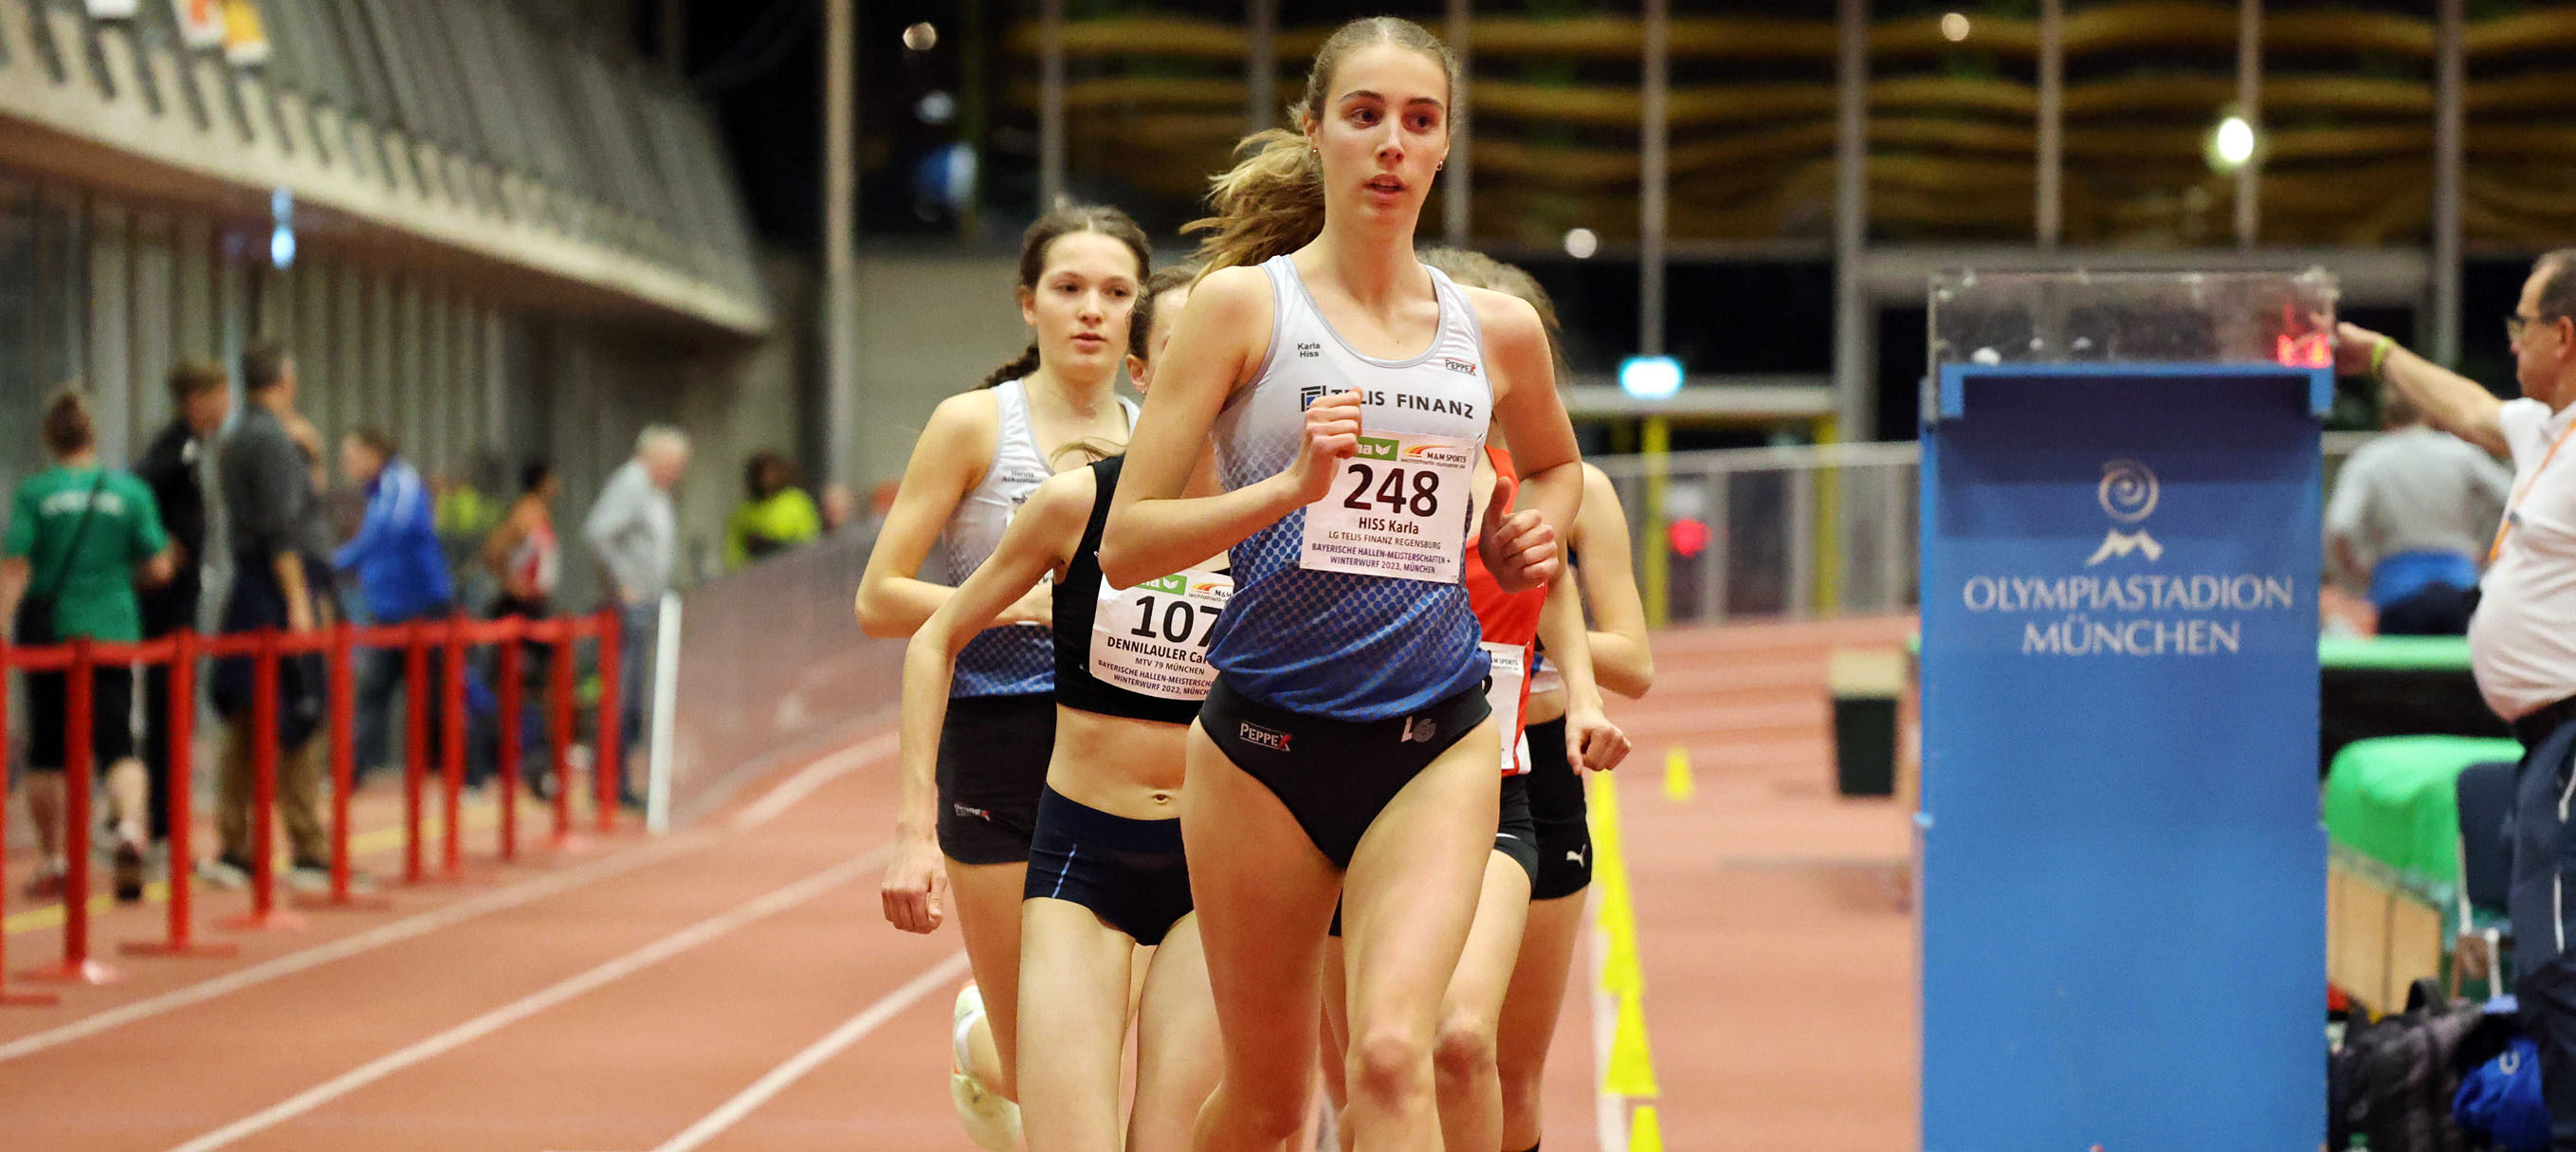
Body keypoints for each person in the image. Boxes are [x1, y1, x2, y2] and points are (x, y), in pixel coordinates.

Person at [1098, 18, 1583, 1149]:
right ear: (1313, 131)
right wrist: (1284, 489)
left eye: (1419, 122)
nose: (1390, 145)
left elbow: (1558, 468)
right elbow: (1126, 544)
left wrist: (1532, 538)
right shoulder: (1241, 309)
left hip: (1435, 738)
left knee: (1388, 1055)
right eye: (1364, 116)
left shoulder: (1495, 332)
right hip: (1261, 750)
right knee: (1269, 1107)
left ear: (1446, 146)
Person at [887, 264, 1219, 1152]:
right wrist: (912, 831)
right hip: (1083, 850)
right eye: (1186, 347)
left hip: (1217, 861)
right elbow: (930, 637)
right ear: (1142, 373)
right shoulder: (1077, 503)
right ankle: (983, 1039)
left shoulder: (1279, 514)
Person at [1311, 248, 1635, 1152]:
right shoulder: (1360, 463)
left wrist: (1566, 692)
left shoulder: (1541, 487)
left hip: (1501, 771)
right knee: (1363, 1076)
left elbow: (1558, 595)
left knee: (1464, 1046)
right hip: (1349, 773)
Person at [859, 203, 1150, 1148]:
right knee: (1038, 1064)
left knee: (1097, 1049)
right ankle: (975, 1041)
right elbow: (881, 597)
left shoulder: (1162, 438)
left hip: (1126, 750)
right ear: (1028, 303)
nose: (1090, 311)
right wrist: (1019, 603)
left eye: (1114, 292)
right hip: (998, 738)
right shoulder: (976, 424)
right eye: (1069, 289)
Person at [2330, 247, 2576, 1149]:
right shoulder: (2547, 432)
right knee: (2546, 957)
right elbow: (2465, 407)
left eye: (2520, 321)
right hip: (2543, 742)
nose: (2507, 339)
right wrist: (2380, 356)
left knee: (2553, 966)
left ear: (2564, 333)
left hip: (2572, 736)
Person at [1, 390, 174, 901]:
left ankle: (55, 859)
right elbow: (160, 565)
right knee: (118, 742)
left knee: (48, 753)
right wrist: (121, 576)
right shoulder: (129, 492)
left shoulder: (36, 492)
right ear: (93, 436)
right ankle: (127, 829)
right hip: (113, 631)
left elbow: (17, 566)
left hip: (52, 634)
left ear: (49, 439)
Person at [206, 343, 335, 891]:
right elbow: (283, 526)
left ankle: (241, 844)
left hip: (255, 586)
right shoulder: (272, 441)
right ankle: (305, 846)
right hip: (282, 587)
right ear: (286, 377)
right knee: (298, 714)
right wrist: (300, 600)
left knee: (248, 717)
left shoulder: (237, 438)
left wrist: (312, 456)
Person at [133, 360, 231, 853]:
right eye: (221, 396)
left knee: (178, 713)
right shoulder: (175, 447)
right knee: (167, 710)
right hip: (166, 605)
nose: (227, 407)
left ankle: (167, 824)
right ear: (197, 399)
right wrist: (154, 544)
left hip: (183, 600)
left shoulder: (192, 449)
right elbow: (136, 484)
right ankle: (161, 828)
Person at [2325, 388, 2511, 635]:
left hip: (2397, 593)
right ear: (2431, 414)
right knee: (2462, 672)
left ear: (2385, 417)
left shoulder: (2369, 460)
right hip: (2462, 588)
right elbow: (2513, 501)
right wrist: (2488, 556)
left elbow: (2339, 526)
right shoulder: (2461, 454)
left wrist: (2356, 575)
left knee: (2402, 674)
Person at [335, 429, 456, 780]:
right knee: (374, 691)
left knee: (441, 693)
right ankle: (350, 774)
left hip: (423, 608)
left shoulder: (400, 483)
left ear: (374, 453)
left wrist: (336, 563)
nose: (347, 463)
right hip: (388, 612)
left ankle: (466, 773)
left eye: (351, 454)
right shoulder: (376, 492)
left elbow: (387, 532)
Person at [584, 425, 689, 809]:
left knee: (632, 699)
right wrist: (621, 583)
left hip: (646, 605)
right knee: (620, 696)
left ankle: (620, 781)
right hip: (627, 607)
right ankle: (609, 784)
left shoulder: (653, 490)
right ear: (654, 457)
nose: (677, 473)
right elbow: (597, 533)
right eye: (674, 464)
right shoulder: (632, 484)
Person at [480, 461, 561, 792]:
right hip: (520, 608)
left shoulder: (539, 511)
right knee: (518, 685)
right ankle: (510, 757)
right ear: (543, 480)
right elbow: (493, 551)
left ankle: (536, 755)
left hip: (536, 604)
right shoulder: (527, 512)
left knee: (543, 683)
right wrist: (512, 583)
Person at [723, 450, 822, 569]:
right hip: (756, 572)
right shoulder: (745, 511)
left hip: (790, 569)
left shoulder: (795, 502)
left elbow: (809, 539)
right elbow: (733, 549)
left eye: (771, 473)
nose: (766, 479)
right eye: (761, 474)